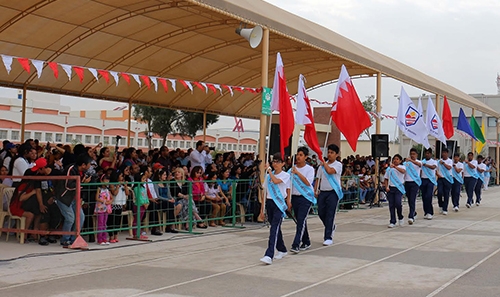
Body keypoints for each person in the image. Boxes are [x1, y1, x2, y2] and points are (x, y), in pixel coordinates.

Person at [260, 153, 290, 265]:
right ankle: (282, 249)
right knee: (275, 227)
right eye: (274, 161)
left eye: (278, 161)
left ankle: (269, 254)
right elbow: (265, 192)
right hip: (270, 203)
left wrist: (268, 171)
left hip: (279, 204)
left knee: (274, 229)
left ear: (283, 163)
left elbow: (277, 181)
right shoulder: (269, 176)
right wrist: (262, 209)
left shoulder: (285, 175)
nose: (275, 164)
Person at [56, 154, 91, 247]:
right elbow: (68, 185)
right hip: (64, 197)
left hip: (75, 198)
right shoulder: (71, 169)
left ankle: (74, 238)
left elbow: (81, 187)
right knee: (70, 218)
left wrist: (81, 197)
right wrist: (83, 183)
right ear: (83, 164)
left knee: (81, 217)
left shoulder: (83, 172)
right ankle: (65, 240)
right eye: (89, 164)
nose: (90, 166)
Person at [315, 144, 342, 246]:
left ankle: (328, 237)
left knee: (330, 214)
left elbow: (330, 171)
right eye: (328, 152)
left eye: (332, 153)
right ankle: (331, 227)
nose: (329, 154)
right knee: (321, 213)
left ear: (336, 154)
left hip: (333, 192)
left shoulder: (338, 165)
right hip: (323, 191)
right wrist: (315, 189)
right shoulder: (322, 166)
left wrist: (324, 164)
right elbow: (318, 178)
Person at [289, 147, 315, 254]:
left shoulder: (310, 169)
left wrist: (298, 173)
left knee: (301, 219)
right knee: (300, 220)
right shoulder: (291, 169)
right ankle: (306, 240)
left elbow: (308, 182)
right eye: (297, 155)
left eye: (301, 155)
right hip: (295, 197)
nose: (298, 157)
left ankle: (296, 244)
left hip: (305, 197)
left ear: (305, 157)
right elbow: (288, 185)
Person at [384, 154, 406, 228]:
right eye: (394, 159)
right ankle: (392, 221)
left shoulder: (402, 167)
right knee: (391, 205)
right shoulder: (389, 169)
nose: (395, 160)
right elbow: (386, 179)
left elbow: (403, 171)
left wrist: (395, 167)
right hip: (391, 188)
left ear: (400, 161)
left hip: (398, 188)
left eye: (397, 159)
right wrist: (386, 186)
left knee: (398, 203)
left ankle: (400, 216)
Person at [108, 169, 129, 243]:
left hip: (120, 204)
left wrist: (125, 186)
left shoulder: (123, 184)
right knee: (111, 221)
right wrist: (117, 186)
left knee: (117, 221)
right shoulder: (112, 184)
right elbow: (114, 193)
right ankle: (110, 236)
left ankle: (116, 235)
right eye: (121, 176)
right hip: (113, 204)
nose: (122, 177)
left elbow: (127, 193)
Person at [404, 148, 421, 225]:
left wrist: (410, 160)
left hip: (415, 183)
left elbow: (419, 165)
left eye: (414, 154)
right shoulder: (407, 163)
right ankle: (414, 212)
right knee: (409, 199)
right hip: (407, 182)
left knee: (412, 199)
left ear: (416, 155)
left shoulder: (418, 162)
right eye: (411, 154)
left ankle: (411, 216)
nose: (412, 155)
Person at [95, 175, 112, 245]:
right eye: (105, 180)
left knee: (105, 223)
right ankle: (99, 239)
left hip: (106, 207)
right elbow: (96, 198)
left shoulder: (107, 190)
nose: (107, 182)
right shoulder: (99, 189)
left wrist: (110, 201)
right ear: (101, 181)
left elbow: (111, 197)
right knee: (100, 223)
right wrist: (103, 201)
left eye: (108, 180)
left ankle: (104, 238)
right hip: (101, 206)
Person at [420, 148, 437, 220]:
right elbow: (420, 170)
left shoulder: (434, 161)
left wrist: (425, 165)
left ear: (430, 154)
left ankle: (430, 212)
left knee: (429, 196)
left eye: (428, 153)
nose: (427, 154)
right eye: (426, 153)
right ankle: (426, 212)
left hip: (430, 180)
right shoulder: (422, 161)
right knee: (424, 197)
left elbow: (433, 167)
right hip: (423, 180)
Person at [436, 148, 453, 215]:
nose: (444, 154)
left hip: (447, 179)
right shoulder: (438, 162)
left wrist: (443, 163)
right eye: (443, 153)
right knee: (439, 193)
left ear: (447, 154)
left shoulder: (450, 161)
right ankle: (440, 205)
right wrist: (437, 174)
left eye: (445, 153)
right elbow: (436, 170)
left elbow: (449, 167)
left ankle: (445, 208)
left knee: (446, 194)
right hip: (440, 179)